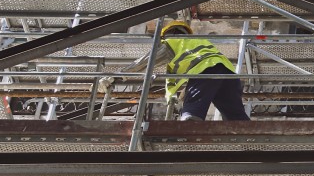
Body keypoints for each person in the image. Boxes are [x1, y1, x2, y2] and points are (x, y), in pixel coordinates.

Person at [106, 20, 250, 121]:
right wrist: (176, 93)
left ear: (167, 35)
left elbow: (146, 61)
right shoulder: (201, 41)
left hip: (205, 72)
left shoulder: (172, 42)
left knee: (193, 106)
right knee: (234, 115)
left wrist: (119, 75)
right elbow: (177, 78)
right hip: (229, 75)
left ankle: (188, 126)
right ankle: (245, 132)